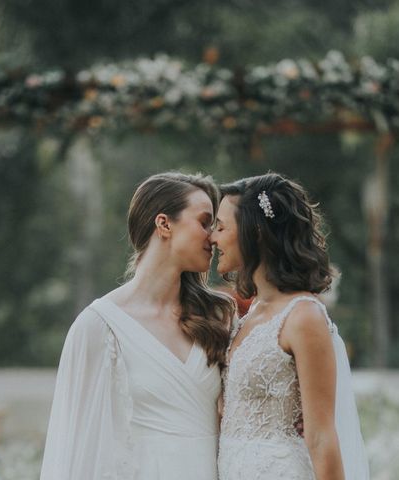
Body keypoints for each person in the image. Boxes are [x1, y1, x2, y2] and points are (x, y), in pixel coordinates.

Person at [40, 172, 235, 480]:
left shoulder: (219, 315)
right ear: (164, 224)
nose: (213, 236)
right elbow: (79, 445)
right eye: (204, 221)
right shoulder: (100, 326)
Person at [211, 172, 369, 480]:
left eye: (220, 227)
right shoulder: (252, 312)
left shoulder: (303, 316)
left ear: (254, 232)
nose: (213, 238)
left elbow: (322, 437)